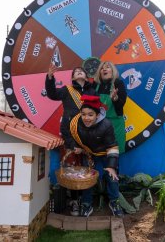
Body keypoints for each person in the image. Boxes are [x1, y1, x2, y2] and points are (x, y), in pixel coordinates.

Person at [45, 63, 97, 216]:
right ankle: (74, 201)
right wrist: (50, 77)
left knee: (87, 170)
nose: (79, 72)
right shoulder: (67, 90)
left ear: (86, 76)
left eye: (82, 71)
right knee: (72, 170)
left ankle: (86, 202)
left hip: (88, 135)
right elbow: (52, 94)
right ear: (73, 77)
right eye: (76, 72)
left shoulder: (92, 91)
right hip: (70, 135)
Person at [69, 94, 123, 218]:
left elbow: (112, 146)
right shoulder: (75, 123)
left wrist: (111, 166)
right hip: (89, 155)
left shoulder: (106, 125)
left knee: (112, 177)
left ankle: (114, 202)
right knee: (87, 179)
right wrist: (77, 147)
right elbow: (71, 136)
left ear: (97, 115)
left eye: (90, 114)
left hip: (106, 155)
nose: (86, 118)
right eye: (83, 114)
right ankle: (87, 203)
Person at [93, 61, 127, 153]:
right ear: (99, 72)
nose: (104, 69)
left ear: (113, 71)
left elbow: (121, 105)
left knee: (114, 153)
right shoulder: (95, 84)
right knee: (99, 152)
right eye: (101, 68)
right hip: (98, 123)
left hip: (115, 124)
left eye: (107, 67)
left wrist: (115, 99)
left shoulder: (118, 83)